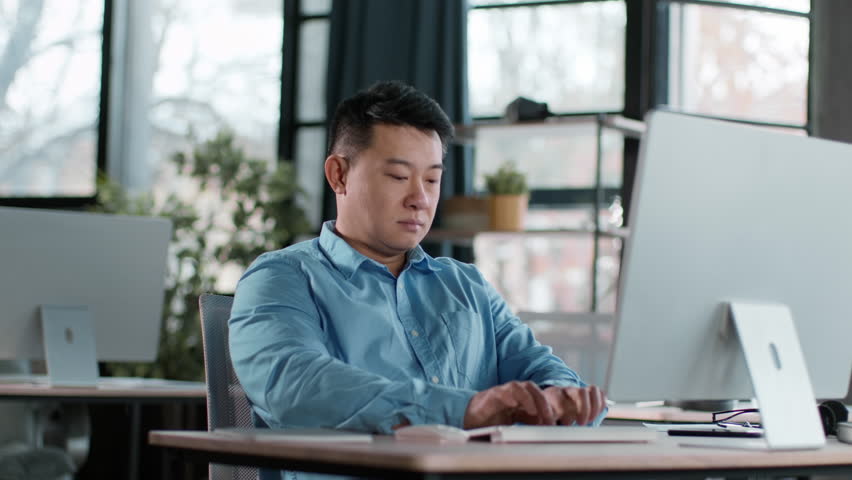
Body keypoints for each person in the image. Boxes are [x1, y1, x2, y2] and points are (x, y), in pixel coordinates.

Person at [229, 81, 607, 479]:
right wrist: (464, 411)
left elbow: (539, 367)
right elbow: (295, 387)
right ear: (339, 174)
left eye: (431, 180)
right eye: (397, 176)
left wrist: (561, 398)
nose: (420, 199)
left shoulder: (466, 286)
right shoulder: (281, 279)